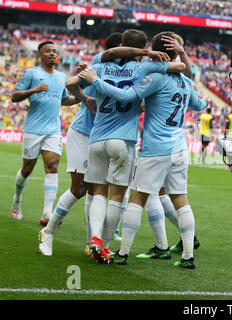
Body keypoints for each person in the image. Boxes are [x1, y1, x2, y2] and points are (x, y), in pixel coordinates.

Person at [78, 31, 208, 269]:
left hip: (156, 148)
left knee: (137, 198)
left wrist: (96, 82)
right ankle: (188, 256)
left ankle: (123, 252)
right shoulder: (186, 81)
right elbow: (201, 104)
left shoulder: (156, 77)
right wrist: (182, 55)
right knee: (181, 198)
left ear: (156, 51)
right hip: (180, 148)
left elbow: (128, 95)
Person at [38, 33, 122, 257]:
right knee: (80, 187)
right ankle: (49, 231)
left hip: (101, 135)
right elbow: (71, 85)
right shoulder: (100, 64)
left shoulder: (126, 71)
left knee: (96, 189)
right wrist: (86, 99)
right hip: (83, 132)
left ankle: (90, 243)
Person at [11, 41, 80, 224]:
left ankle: (47, 213)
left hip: (53, 130)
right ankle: (16, 201)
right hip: (33, 129)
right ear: (40, 55)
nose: (52, 54)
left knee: (53, 166)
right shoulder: (32, 73)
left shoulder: (60, 76)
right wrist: (34, 89)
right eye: (48, 51)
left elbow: (64, 100)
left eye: (54, 51)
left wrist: (81, 97)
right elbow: (14, 96)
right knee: (27, 169)